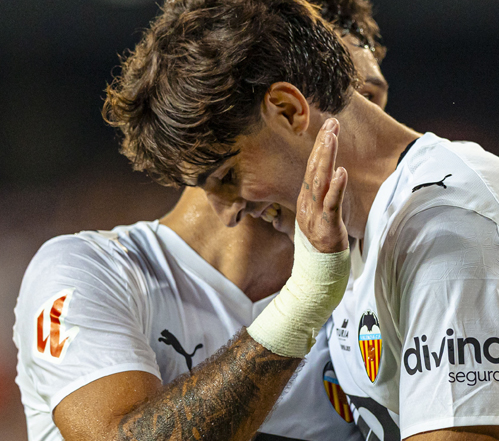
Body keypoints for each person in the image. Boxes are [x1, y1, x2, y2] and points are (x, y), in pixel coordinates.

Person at [102, 0, 499, 440]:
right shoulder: (363, 233)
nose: (228, 210)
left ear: (288, 110)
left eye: (226, 176)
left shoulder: (444, 220)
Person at [13, 1, 388, 440]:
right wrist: (302, 306)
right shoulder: (91, 272)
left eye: (373, 101)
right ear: (286, 109)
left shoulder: (376, 276)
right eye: (349, 104)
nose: (373, 128)